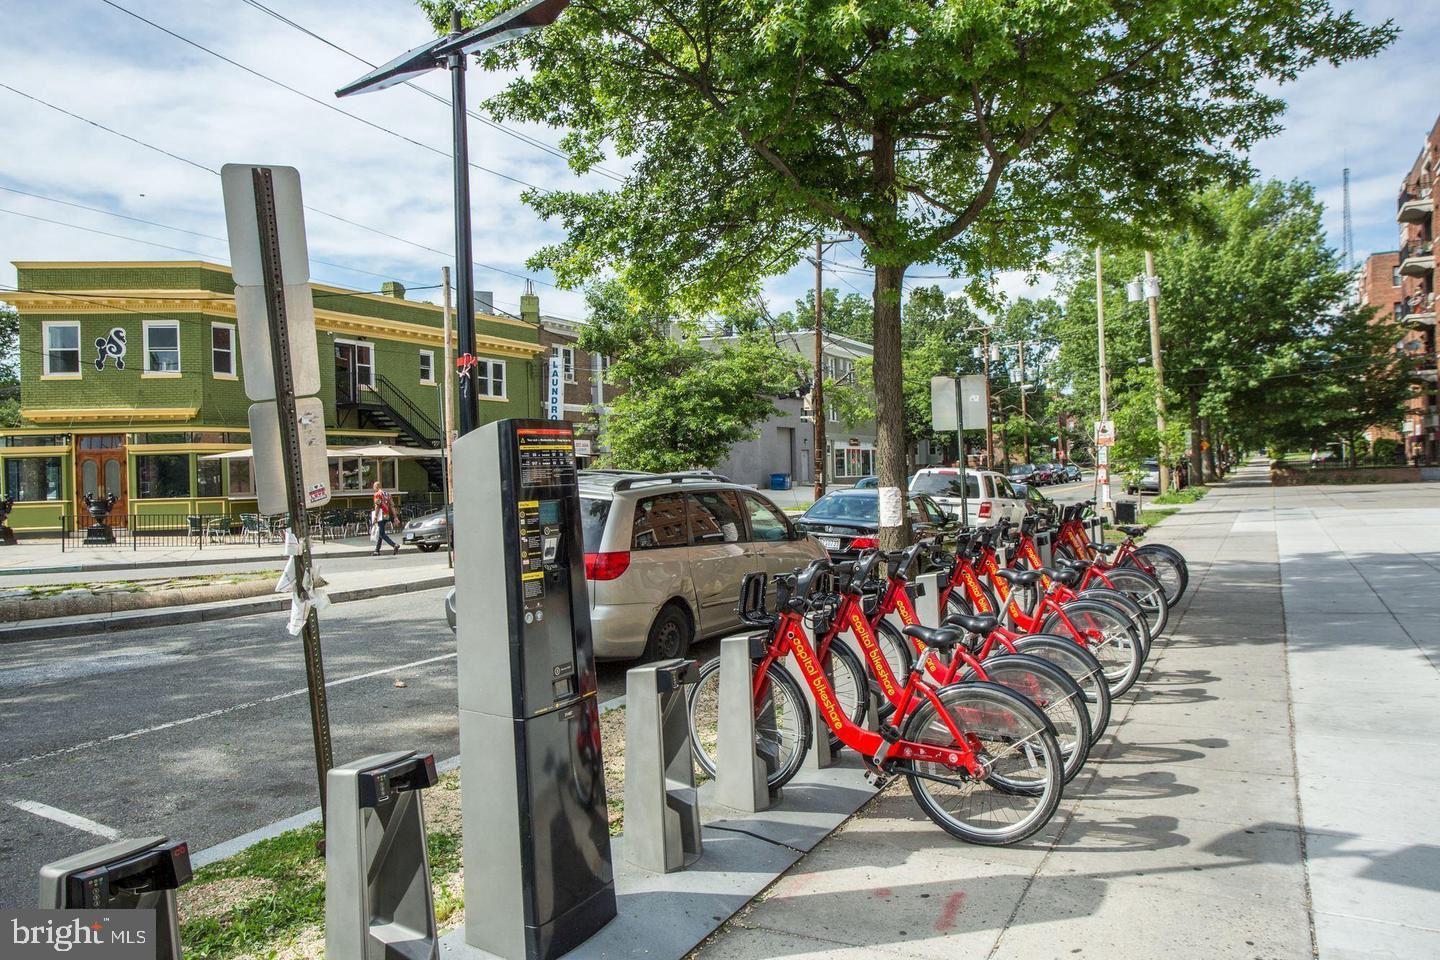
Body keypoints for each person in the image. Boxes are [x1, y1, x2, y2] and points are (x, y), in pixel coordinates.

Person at [371, 480, 399, 556]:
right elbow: (392, 506)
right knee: (381, 532)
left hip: (380, 515)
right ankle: (377, 550)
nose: (373, 488)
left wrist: (375, 516)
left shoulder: (377, 494)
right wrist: (395, 517)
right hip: (387, 515)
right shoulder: (388, 494)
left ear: (376, 487)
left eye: (374, 487)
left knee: (382, 533)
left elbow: (377, 506)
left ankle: (394, 545)